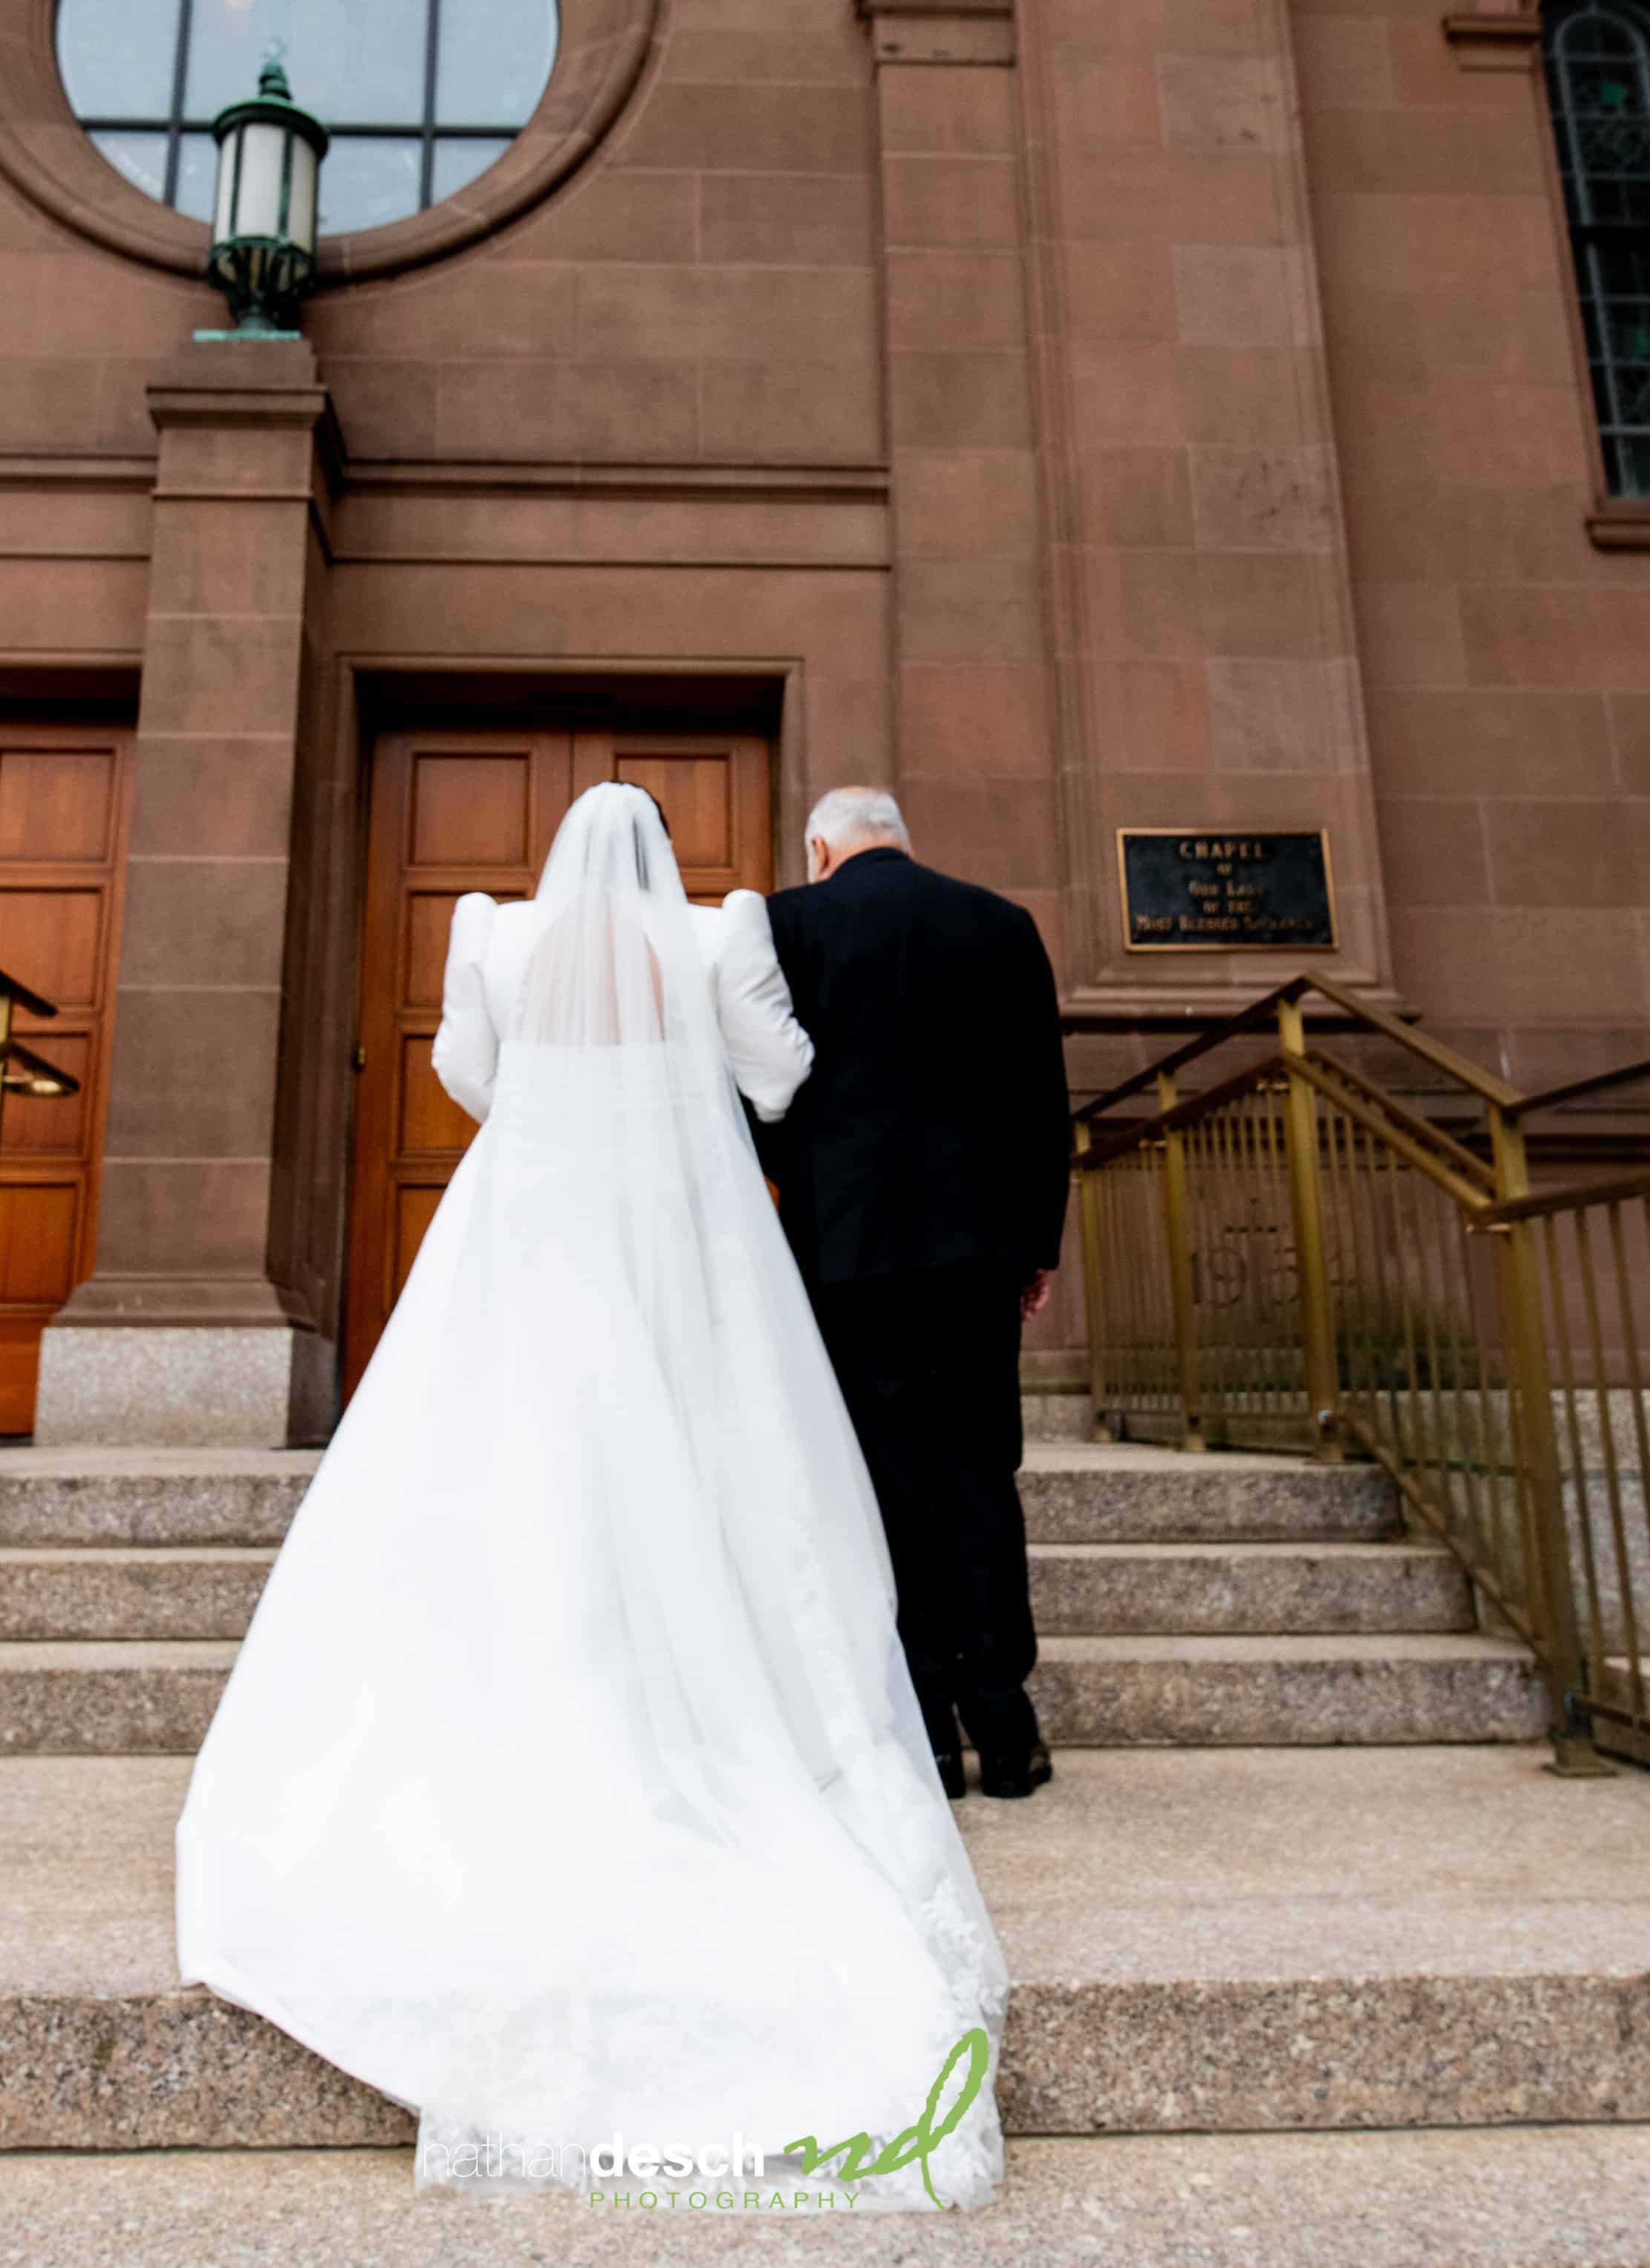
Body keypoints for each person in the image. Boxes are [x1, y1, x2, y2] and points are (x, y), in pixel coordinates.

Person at [174, 782, 1008, 2210]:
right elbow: (777, 1078)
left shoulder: (489, 932)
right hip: (682, 1229)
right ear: (668, 855)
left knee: (502, 1444)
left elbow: (468, 1080)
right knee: (714, 1460)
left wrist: (568, 1088)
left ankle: (511, 1689)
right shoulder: (720, 929)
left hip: (529, 1214)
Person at [755, 786, 1073, 1801]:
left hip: (847, 1249)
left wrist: (800, 1180)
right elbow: (1039, 1093)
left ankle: (924, 1726)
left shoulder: (784, 921)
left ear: (820, 847)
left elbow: (759, 1087)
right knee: (981, 1472)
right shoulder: (1000, 922)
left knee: (884, 1478)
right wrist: (1034, 1247)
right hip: (978, 1246)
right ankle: (1005, 1723)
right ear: (899, 837)